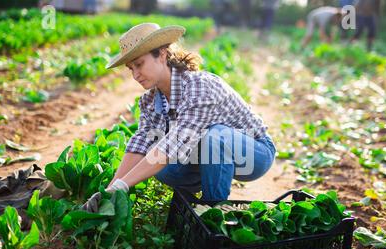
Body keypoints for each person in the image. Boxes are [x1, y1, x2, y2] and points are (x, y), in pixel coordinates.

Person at [82, 23, 276, 211]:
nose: (135, 75)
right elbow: (140, 143)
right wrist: (111, 190)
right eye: (131, 68)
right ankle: (188, 202)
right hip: (210, 156)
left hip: (252, 154)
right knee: (159, 159)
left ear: (162, 55)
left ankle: (213, 209)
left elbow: (176, 142)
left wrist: (123, 185)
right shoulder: (149, 101)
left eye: (139, 64)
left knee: (213, 136)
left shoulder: (199, 86)